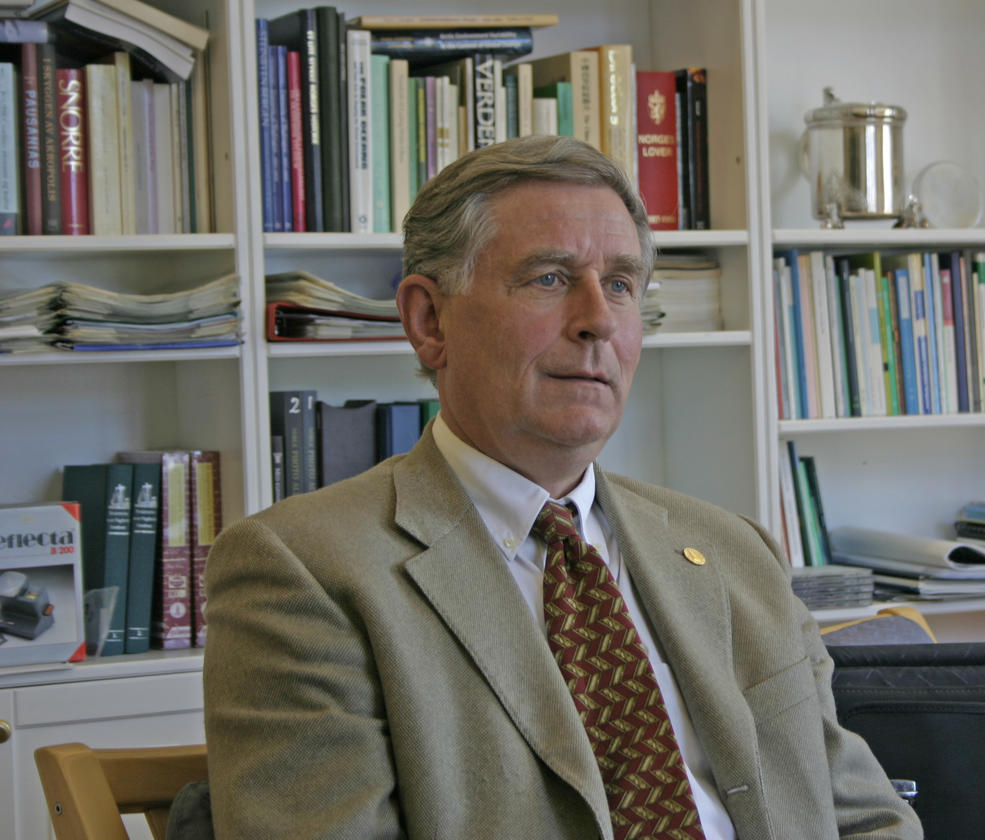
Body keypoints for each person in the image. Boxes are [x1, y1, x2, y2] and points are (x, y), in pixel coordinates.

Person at [203, 135, 922, 840]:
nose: (598, 320)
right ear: (429, 321)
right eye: (548, 278)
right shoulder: (304, 572)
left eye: (621, 285)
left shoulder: (735, 551)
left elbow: (865, 817)